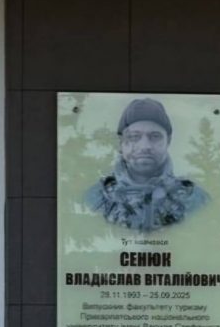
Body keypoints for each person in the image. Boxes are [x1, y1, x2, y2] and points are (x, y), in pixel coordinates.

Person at [85, 97, 209, 232]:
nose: (145, 146)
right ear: (121, 143)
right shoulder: (95, 199)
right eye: (134, 137)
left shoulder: (196, 200)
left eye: (155, 136)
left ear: (168, 141)